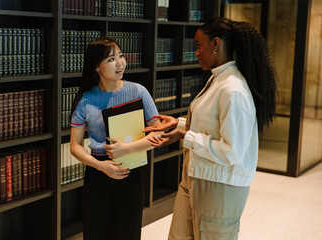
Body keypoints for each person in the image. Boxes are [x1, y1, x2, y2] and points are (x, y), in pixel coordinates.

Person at [144, 17, 277, 240]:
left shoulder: (233, 90)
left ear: (215, 43)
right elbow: (213, 126)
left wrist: (185, 136)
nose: (195, 52)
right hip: (194, 176)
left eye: (198, 45)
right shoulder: (217, 80)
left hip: (219, 186)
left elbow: (231, 151)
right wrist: (178, 123)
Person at [69, 36, 161, 240]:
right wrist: (102, 166)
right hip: (98, 173)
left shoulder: (138, 91)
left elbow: (158, 132)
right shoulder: (85, 100)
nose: (120, 63)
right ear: (96, 66)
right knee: (96, 232)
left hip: (132, 169)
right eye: (111, 59)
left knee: (128, 232)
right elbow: (75, 145)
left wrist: (128, 149)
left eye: (120, 56)